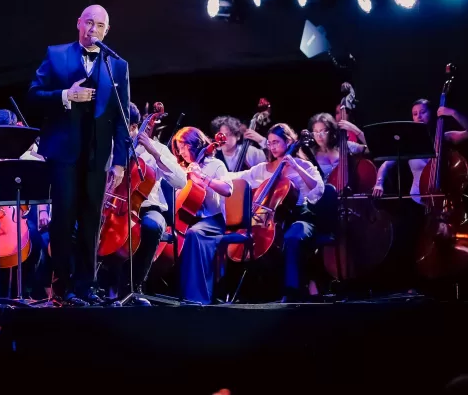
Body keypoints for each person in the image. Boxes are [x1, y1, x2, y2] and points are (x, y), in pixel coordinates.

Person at [27, 4, 130, 306]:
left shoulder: (118, 65)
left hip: (98, 155)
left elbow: (123, 117)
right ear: (78, 24)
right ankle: (63, 283)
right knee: (62, 220)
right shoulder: (56, 55)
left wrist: (121, 161)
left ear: (106, 31)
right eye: (89, 23)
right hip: (63, 153)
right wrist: (64, 96)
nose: (93, 30)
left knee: (90, 222)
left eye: (99, 26)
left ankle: (85, 286)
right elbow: (33, 95)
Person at [103, 103, 189, 302]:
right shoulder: (111, 147)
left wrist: (154, 152)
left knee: (151, 227)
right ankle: (99, 286)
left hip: (148, 207)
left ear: (134, 127)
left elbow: (180, 181)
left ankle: (134, 287)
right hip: (115, 207)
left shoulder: (155, 148)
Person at [234, 123, 325, 301]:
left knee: (291, 237)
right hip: (273, 219)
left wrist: (296, 166)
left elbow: (318, 189)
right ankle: (259, 293)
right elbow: (238, 177)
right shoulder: (263, 168)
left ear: (288, 141)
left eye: (276, 142)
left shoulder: (303, 165)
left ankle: (291, 292)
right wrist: (210, 178)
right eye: (269, 143)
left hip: (301, 217)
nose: (272, 147)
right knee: (254, 240)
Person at [172, 127, 233, 305]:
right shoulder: (182, 168)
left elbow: (228, 190)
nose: (181, 152)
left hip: (212, 221)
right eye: (179, 148)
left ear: (196, 144)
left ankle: (196, 298)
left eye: (184, 146)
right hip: (188, 219)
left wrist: (203, 177)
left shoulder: (216, 165)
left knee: (193, 235)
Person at [373, 99, 468, 200]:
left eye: (423, 112)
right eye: (415, 114)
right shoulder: (409, 144)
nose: (419, 116)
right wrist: (379, 184)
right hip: (417, 199)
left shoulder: (442, 137)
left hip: (442, 197)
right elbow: (386, 164)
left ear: (431, 113)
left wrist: (453, 113)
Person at [308, 112, 367, 180]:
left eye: (323, 131)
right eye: (315, 132)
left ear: (331, 131)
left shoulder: (345, 146)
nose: (319, 136)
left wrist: (354, 129)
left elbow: (371, 148)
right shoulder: (312, 154)